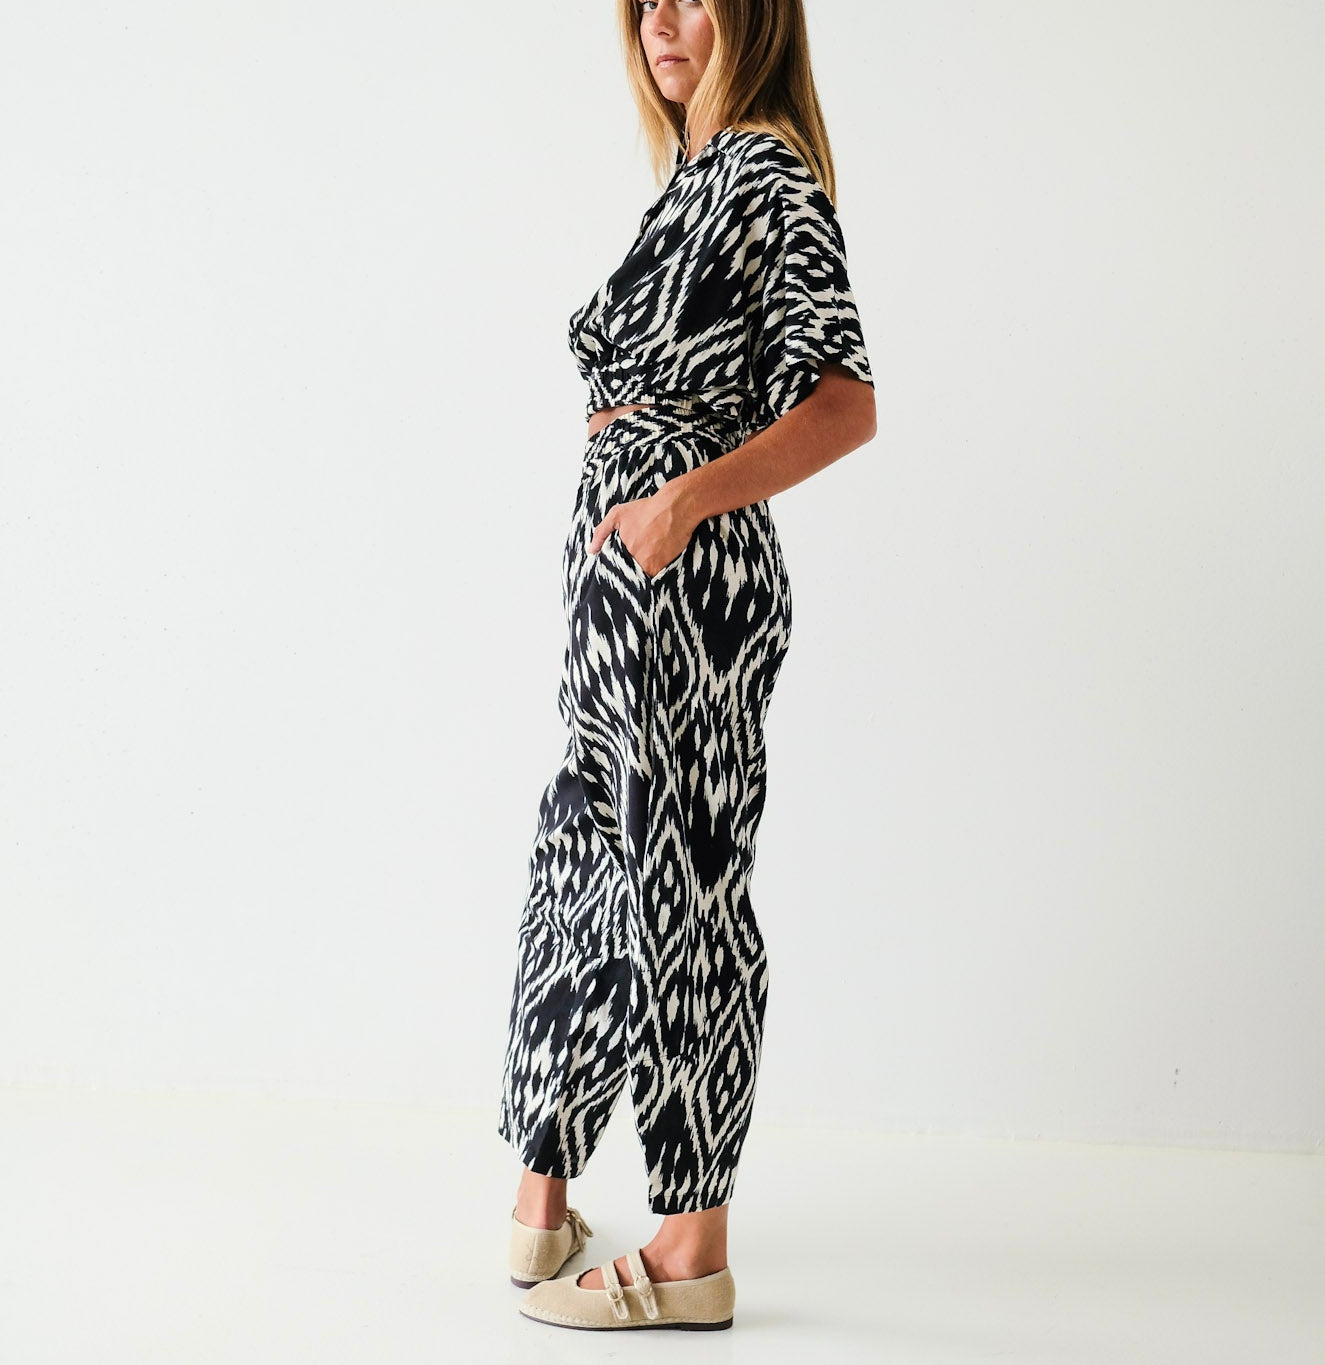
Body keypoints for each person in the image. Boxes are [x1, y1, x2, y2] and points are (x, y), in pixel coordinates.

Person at [498, 0, 877, 1332]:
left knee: (681, 879)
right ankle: (542, 1201)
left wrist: (679, 496)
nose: (663, 18)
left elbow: (845, 399)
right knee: (583, 854)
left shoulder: (766, 169)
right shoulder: (691, 177)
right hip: (616, 575)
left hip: (683, 578)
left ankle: (686, 1244)